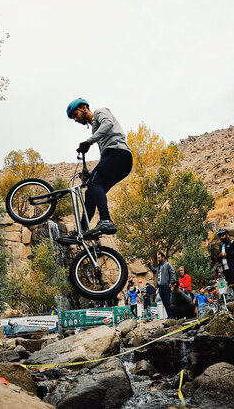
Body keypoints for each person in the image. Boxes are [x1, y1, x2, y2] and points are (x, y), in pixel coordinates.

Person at [65, 98, 133, 236]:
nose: (75, 120)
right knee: (91, 192)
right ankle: (81, 230)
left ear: (84, 108)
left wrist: (89, 142)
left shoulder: (100, 112)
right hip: (116, 158)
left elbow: (108, 124)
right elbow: (105, 158)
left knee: (94, 183)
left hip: (119, 154)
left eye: (75, 115)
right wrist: (91, 172)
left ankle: (105, 220)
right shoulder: (95, 129)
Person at [148, 252, 176, 318]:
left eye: (159, 258)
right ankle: (169, 316)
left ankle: (173, 317)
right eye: (158, 258)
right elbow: (154, 271)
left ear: (163, 258)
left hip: (166, 286)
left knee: (169, 302)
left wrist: (171, 283)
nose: (158, 259)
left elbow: (173, 273)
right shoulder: (159, 267)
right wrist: (149, 265)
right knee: (164, 303)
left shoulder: (168, 265)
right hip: (160, 287)